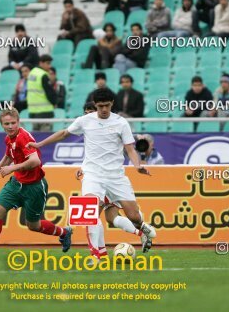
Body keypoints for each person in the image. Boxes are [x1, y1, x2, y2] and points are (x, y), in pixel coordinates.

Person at [27, 88, 157, 253]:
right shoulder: (85, 120)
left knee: (133, 216)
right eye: (100, 106)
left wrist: (137, 165)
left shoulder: (121, 122)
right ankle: (98, 255)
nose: (103, 109)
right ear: (95, 104)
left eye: (107, 106)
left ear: (112, 104)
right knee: (90, 214)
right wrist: (39, 144)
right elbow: (63, 133)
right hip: (93, 175)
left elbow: (130, 149)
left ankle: (142, 228)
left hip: (116, 177)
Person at [0, 108, 73, 261]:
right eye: (7, 123)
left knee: (33, 226)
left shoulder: (23, 137)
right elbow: (8, 157)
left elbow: (35, 161)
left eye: (13, 123)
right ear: (2, 125)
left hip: (34, 187)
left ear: (18, 122)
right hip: (16, 183)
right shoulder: (9, 139)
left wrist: (12, 168)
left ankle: (64, 233)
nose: (11, 126)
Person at [76, 102, 150, 261]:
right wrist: (83, 168)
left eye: (91, 112)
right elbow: (93, 156)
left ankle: (99, 255)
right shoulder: (88, 128)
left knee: (95, 216)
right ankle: (140, 232)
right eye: (86, 113)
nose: (89, 116)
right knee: (108, 218)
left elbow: (129, 146)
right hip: (98, 178)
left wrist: (138, 161)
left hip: (110, 178)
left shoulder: (114, 125)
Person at [26, 54, 57, 132]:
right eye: (47, 63)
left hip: (33, 111)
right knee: (45, 138)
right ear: (41, 63)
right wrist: (55, 102)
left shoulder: (32, 73)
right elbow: (49, 92)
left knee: (36, 138)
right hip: (45, 112)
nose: (49, 66)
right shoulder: (43, 75)